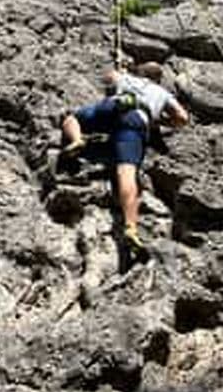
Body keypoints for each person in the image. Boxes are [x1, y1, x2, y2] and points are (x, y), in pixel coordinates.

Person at [61, 62, 189, 257]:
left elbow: (108, 77)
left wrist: (122, 72)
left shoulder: (127, 77)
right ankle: (130, 227)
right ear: (158, 78)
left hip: (116, 106)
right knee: (127, 173)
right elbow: (182, 118)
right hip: (138, 121)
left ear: (140, 72)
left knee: (72, 119)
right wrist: (158, 119)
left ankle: (78, 140)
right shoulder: (162, 93)